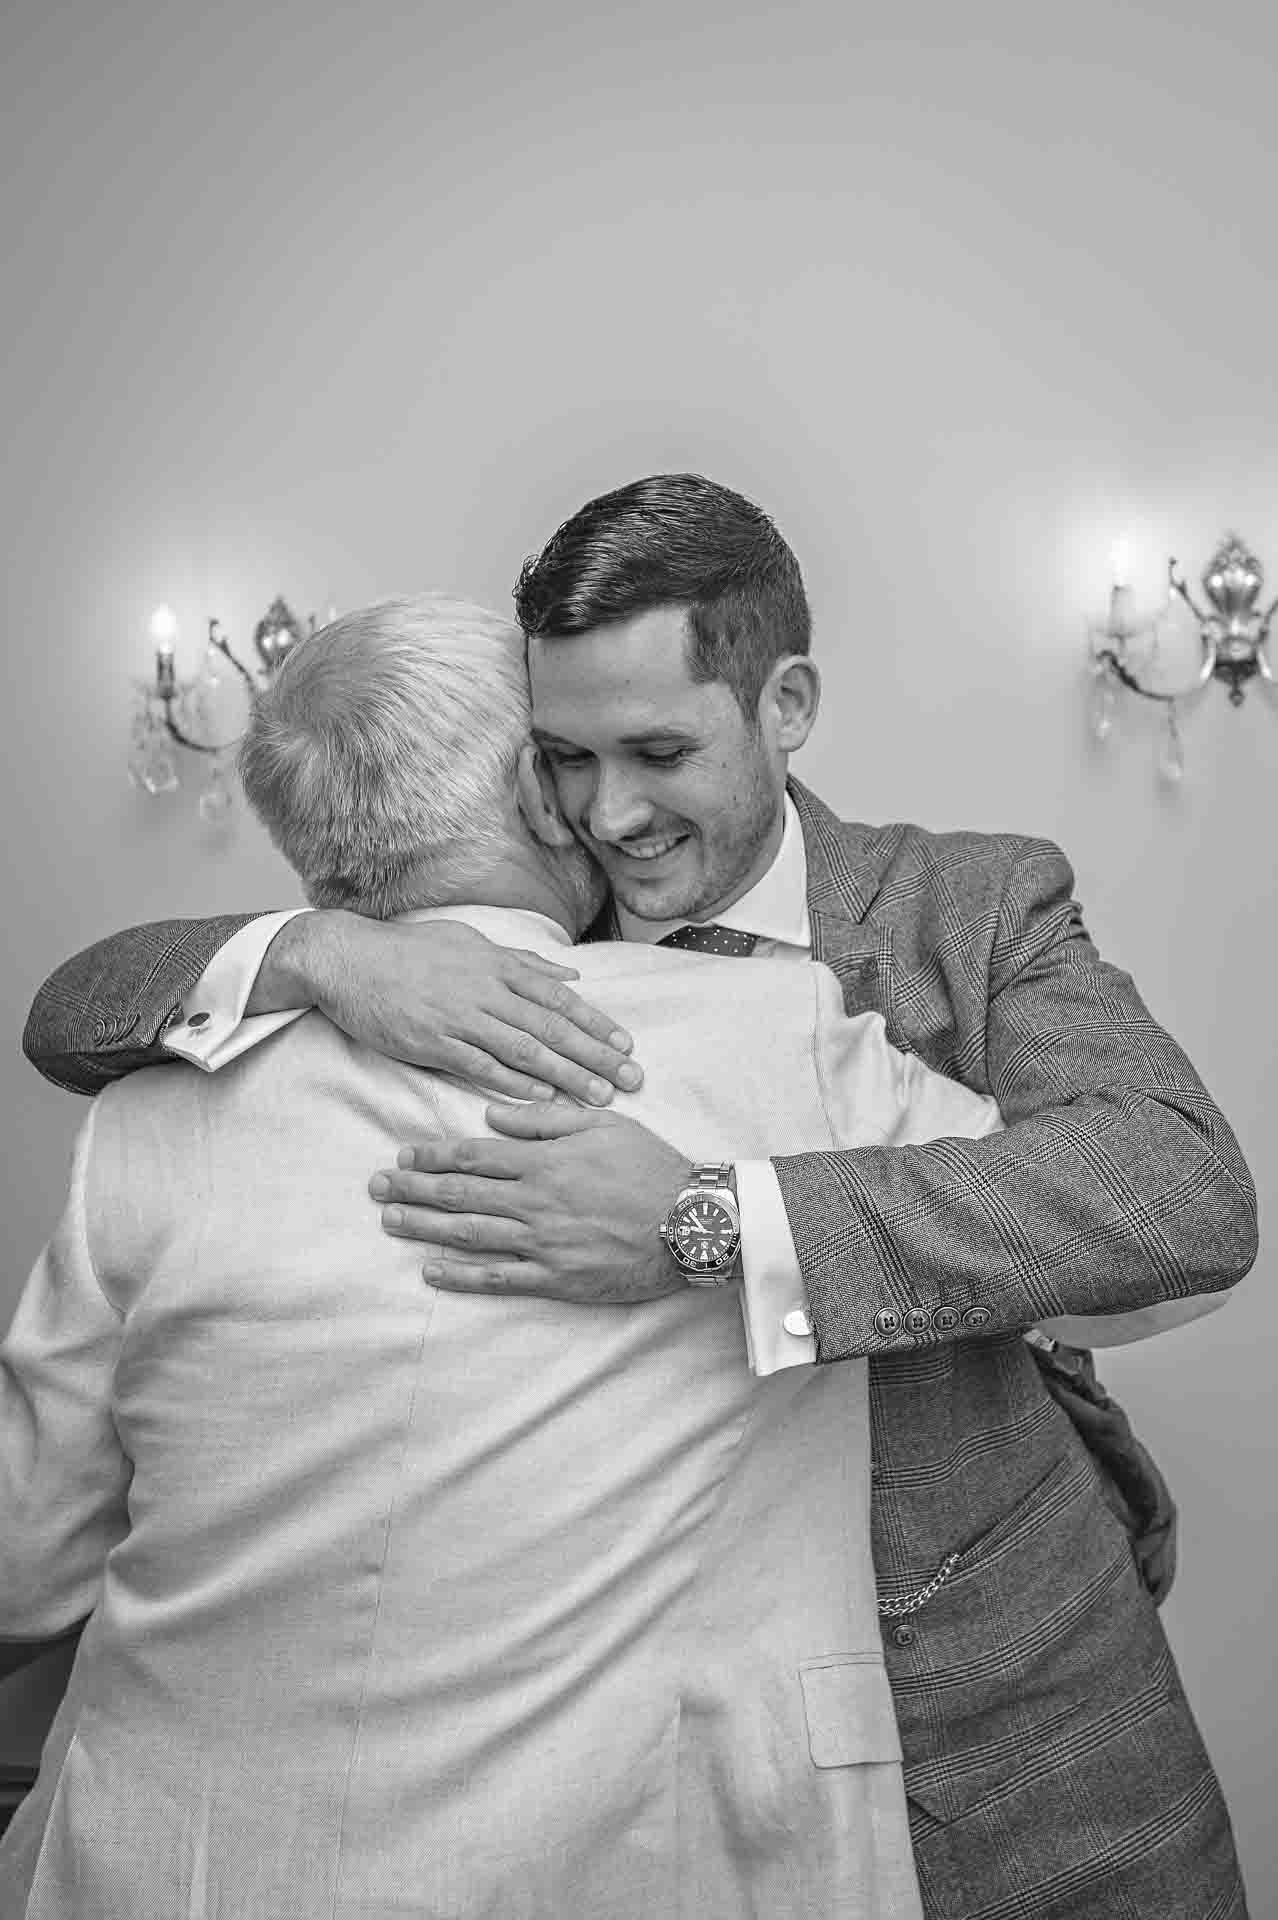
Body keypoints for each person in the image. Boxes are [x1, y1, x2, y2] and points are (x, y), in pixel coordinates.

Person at [21, 479, 1257, 1917]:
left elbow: (1174, 1195)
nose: (607, 815)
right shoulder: (524, 921)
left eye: (658, 751)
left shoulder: (960, 910)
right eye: (560, 760)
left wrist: (712, 1221)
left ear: (783, 701)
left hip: (1008, 1702)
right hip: (684, 1775)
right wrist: (310, 950)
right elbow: (75, 1015)